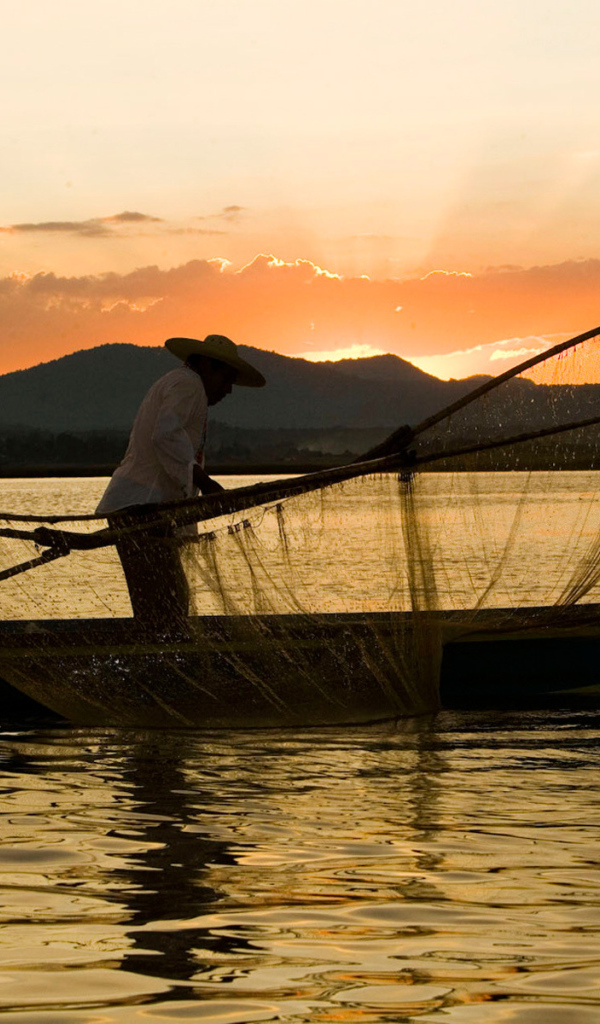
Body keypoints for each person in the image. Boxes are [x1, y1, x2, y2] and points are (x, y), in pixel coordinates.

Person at [96, 334, 266, 628]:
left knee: (165, 600)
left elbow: (173, 443)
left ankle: (157, 652)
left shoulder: (182, 384)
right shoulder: (189, 385)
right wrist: (206, 483)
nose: (228, 391)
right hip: (142, 509)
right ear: (205, 366)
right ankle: (158, 658)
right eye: (225, 379)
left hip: (143, 509)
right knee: (165, 603)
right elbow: (165, 435)